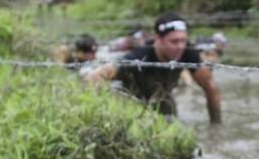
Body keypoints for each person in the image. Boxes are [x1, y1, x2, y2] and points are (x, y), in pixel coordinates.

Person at [85, 12, 222, 124]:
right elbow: (94, 77)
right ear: (158, 39)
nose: (180, 46)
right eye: (174, 41)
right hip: (132, 97)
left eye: (183, 40)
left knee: (172, 121)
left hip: (162, 96)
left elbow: (211, 87)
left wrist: (216, 127)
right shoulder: (140, 55)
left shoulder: (188, 53)